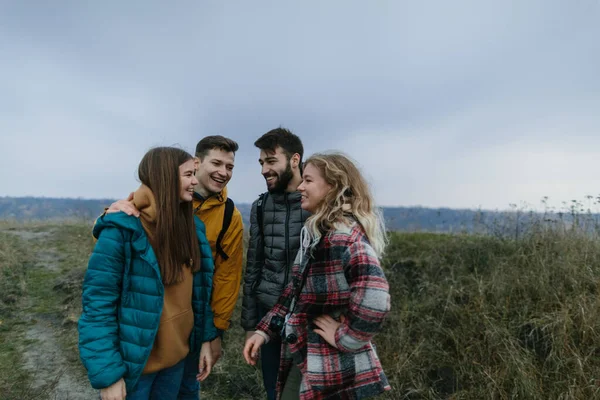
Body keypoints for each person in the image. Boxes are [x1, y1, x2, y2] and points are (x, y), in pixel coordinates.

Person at [104, 136, 244, 399]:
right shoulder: (142, 206)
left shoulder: (228, 216)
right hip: (144, 338)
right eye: (216, 163)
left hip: (190, 331)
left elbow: (226, 277)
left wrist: (213, 333)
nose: (223, 172)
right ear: (197, 163)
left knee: (187, 389)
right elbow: (117, 243)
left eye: (230, 167)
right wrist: (107, 217)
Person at [243, 152, 392, 399]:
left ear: (333, 186)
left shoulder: (342, 237)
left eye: (308, 181)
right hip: (308, 357)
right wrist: (264, 331)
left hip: (332, 365)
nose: (300, 186)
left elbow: (375, 298)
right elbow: (294, 292)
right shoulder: (317, 233)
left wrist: (346, 337)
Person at [78, 147, 217, 400]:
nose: (195, 181)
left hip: (178, 361)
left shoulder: (192, 228)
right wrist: (108, 374)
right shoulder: (121, 231)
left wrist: (206, 339)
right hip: (137, 369)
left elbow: (200, 294)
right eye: (188, 174)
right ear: (165, 177)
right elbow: (98, 306)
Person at [241, 127, 310, 400]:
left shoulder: (318, 201)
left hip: (307, 318)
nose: (263, 170)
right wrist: (251, 326)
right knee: (274, 393)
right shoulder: (260, 207)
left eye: (271, 161)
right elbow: (253, 267)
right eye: (261, 163)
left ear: (295, 160)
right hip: (268, 316)